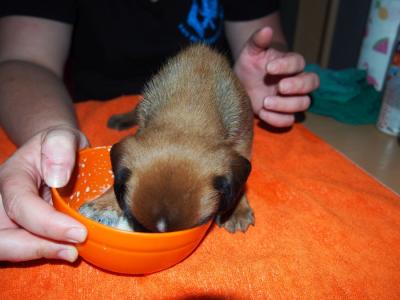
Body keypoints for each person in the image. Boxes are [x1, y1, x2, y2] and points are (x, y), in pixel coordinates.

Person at [0, 0, 319, 263]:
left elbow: (240, 146)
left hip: (217, 97)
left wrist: (272, 65)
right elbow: (21, 58)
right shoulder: (147, 120)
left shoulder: (225, 143)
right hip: (85, 98)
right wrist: (53, 132)